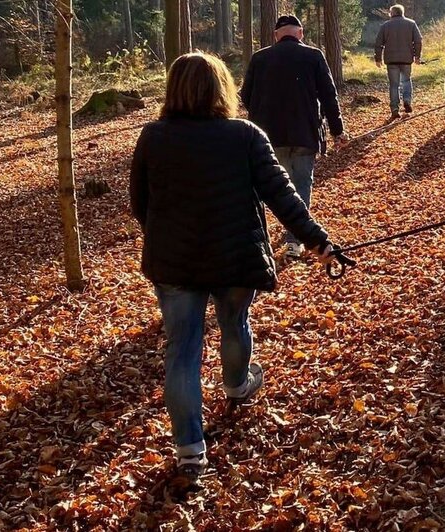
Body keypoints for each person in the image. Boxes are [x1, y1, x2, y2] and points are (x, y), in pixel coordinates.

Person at [130, 52, 337, 481]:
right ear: (221, 88)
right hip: (235, 257)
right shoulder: (244, 135)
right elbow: (283, 195)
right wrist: (317, 240)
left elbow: (140, 205)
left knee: (182, 351)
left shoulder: (153, 137)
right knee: (234, 323)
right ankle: (237, 385)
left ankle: (190, 450)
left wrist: (168, 232)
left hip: (174, 264)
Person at [241, 14, 347, 258]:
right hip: (304, 133)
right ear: (300, 33)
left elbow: (245, 96)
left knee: (275, 187)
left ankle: (267, 239)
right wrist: (337, 130)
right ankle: (294, 240)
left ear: (276, 35)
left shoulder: (260, 58)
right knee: (300, 185)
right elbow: (329, 97)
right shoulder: (313, 56)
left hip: (268, 136)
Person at [374, 4, 423, 120]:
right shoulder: (411, 24)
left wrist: (378, 58)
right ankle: (407, 101)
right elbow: (418, 41)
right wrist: (417, 56)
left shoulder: (385, 26)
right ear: (402, 12)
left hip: (391, 61)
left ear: (392, 13)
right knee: (406, 80)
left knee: (394, 85)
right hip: (406, 59)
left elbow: (378, 43)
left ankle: (395, 109)